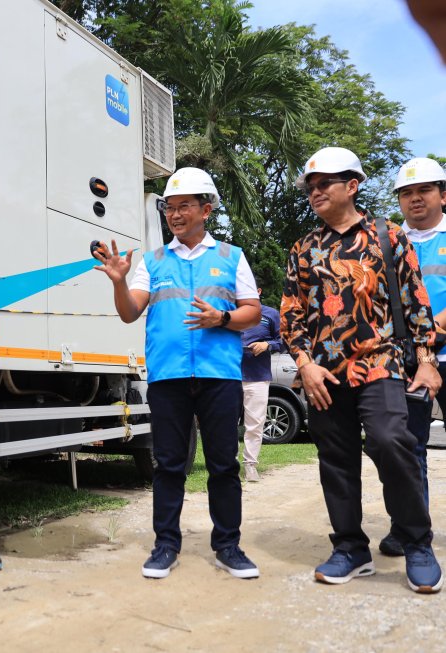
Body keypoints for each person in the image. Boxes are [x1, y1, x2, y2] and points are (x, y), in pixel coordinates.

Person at [281, 146, 443, 593]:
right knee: (335, 458)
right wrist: (304, 364)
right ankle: (350, 548)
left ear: (352, 186)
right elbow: (291, 313)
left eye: (324, 184)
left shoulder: (389, 236)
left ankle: (417, 542)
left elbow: (416, 303)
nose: (315, 192)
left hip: (379, 362)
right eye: (310, 187)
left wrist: (427, 361)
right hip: (322, 373)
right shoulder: (304, 248)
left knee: (393, 442)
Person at [93, 167, 262, 580]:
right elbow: (130, 311)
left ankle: (228, 546)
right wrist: (118, 282)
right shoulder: (153, 261)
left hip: (218, 376)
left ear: (206, 209)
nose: (175, 213)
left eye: (184, 205)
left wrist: (221, 318)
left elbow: (252, 312)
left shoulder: (231, 257)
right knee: (169, 464)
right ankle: (165, 544)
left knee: (222, 464)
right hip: (168, 378)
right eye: (170, 207)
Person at [378, 157, 446, 557]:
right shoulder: (384, 241)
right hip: (403, 362)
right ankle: (407, 528)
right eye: (406, 193)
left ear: (442, 194)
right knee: (406, 449)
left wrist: (430, 332)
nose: (415, 199)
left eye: (423, 190)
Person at [239, 284, 282, 482]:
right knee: (225, 422)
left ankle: (250, 465)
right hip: (229, 375)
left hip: (257, 376)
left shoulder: (270, 314)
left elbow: (285, 341)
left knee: (255, 423)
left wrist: (267, 345)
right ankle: (228, 465)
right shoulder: (230, 312)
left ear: (259, 291)